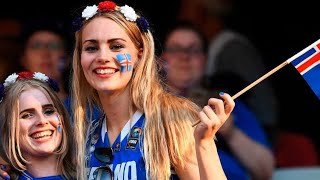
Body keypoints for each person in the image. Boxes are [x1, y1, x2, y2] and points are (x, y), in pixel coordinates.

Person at [71, 1, 235, 179]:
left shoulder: (173, 119)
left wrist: (205, 144)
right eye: (91, 48)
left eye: (116, 46)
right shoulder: (86, 134)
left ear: (139, 54)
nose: (103, 57)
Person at [161, 21, 274, 180]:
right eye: (175, 49)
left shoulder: (225, 102)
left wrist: (230, 132)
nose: (184, 56)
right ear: (162, 58)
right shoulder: (150, 107)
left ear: (205, 59)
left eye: (193, 50)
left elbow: (265, 170)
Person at [177, 0, 279, 132]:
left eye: (185, 10)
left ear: (201, 13)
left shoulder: (233, 49)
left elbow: (258, 104)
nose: (180, 16)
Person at [0, 71, 76, 179]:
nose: (42, 121)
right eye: (27, 115)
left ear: (62, 118)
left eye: (49, 111)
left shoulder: (92, 173)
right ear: (8, 129)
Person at [18, 18, 71, 102]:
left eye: (54, 46)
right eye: (36, 46)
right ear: (24, 59)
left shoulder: (88, 111)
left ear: (67, 59)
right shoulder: (8, 110)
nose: (45, 53)